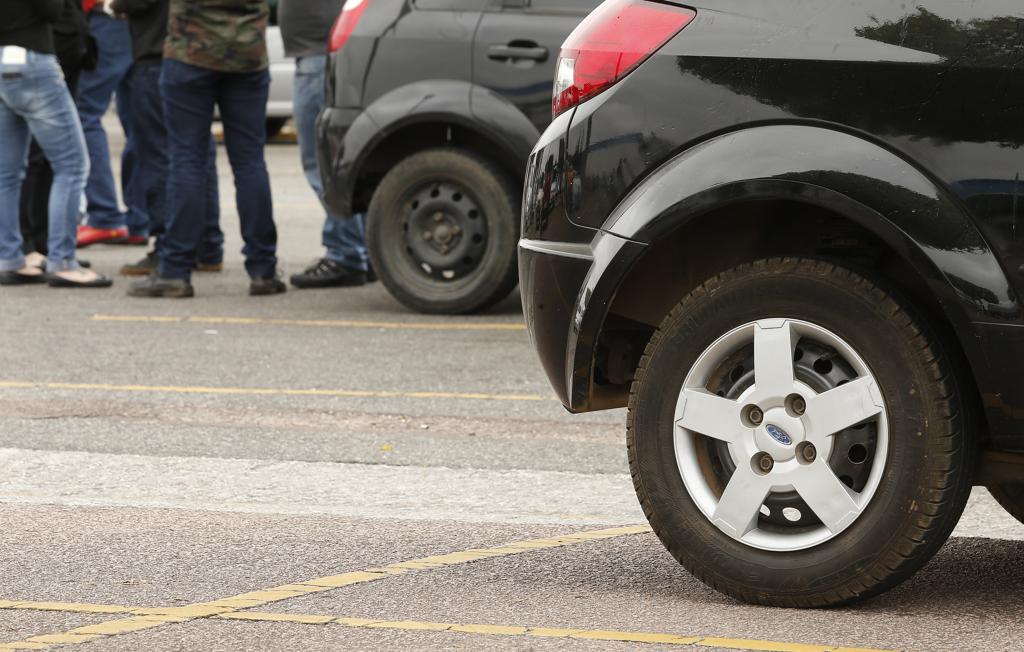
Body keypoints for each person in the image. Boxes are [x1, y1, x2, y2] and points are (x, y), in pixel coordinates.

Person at [129, 0, 282, 298]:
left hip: (190, 51)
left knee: (186, 161)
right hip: (247, 54)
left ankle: (175, 270)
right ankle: (263, 269)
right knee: (250, 162)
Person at [108, 0, 225, 277]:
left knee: (161, 156)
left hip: (158, 54)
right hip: (196, 54)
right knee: (197, 154)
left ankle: (168, 246)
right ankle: (207, 245)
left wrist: (113, 4)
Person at [0, 0, 112, 288]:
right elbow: (50, 10)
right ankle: (63, 261)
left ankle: (9, 256)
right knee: (72, 165)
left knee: (7, 172)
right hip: (33, 57)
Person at [278, 0, 373, 289]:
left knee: (322, 164)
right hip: (324, 50)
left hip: (319, 53)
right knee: (335, 161)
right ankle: (362, 252)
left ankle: (345, 254)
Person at [18, 0, 93, 264]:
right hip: (42, 51)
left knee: (36, 161)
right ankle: (35, 248)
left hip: (56, 48)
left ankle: (37, 245)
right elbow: (50, 10)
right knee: (59, 161)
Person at [75, 0, 147, 247]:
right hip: (136, 19)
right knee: (139, 121)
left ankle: (104, 216)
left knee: (84, 114)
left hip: (109, 16)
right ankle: (139, 219)